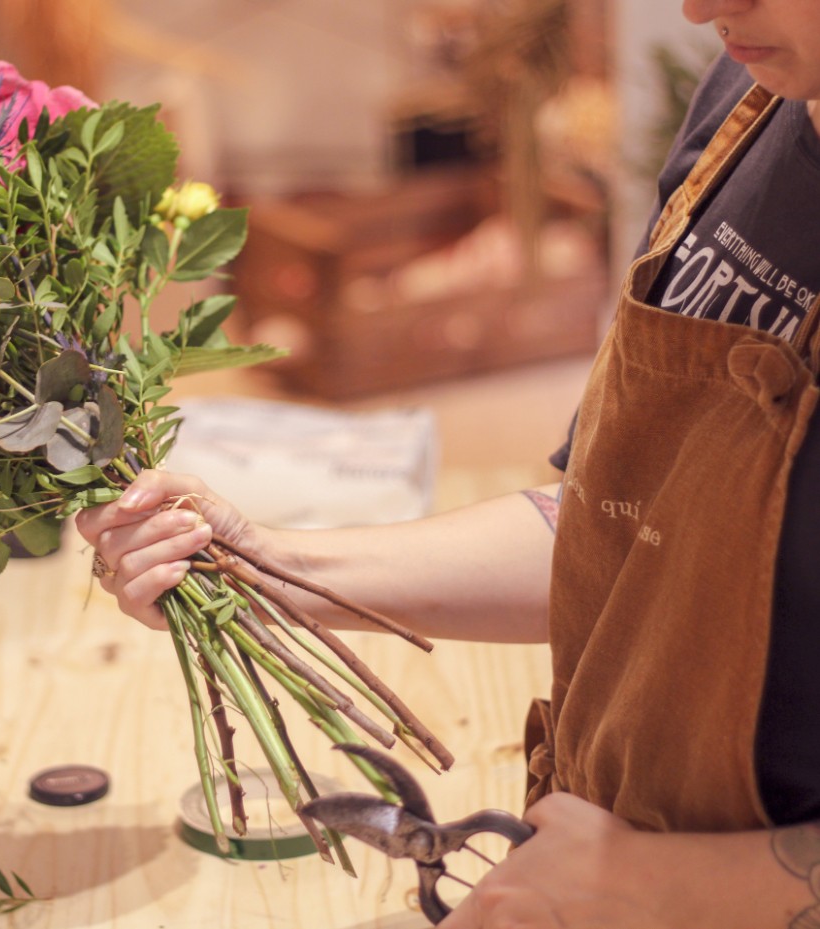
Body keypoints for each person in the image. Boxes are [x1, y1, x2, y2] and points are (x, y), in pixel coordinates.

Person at [76, 2, 820, 925]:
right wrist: (267, 564)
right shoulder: (752, 101)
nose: (700, 6)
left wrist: (665, 886)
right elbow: (622, 531)